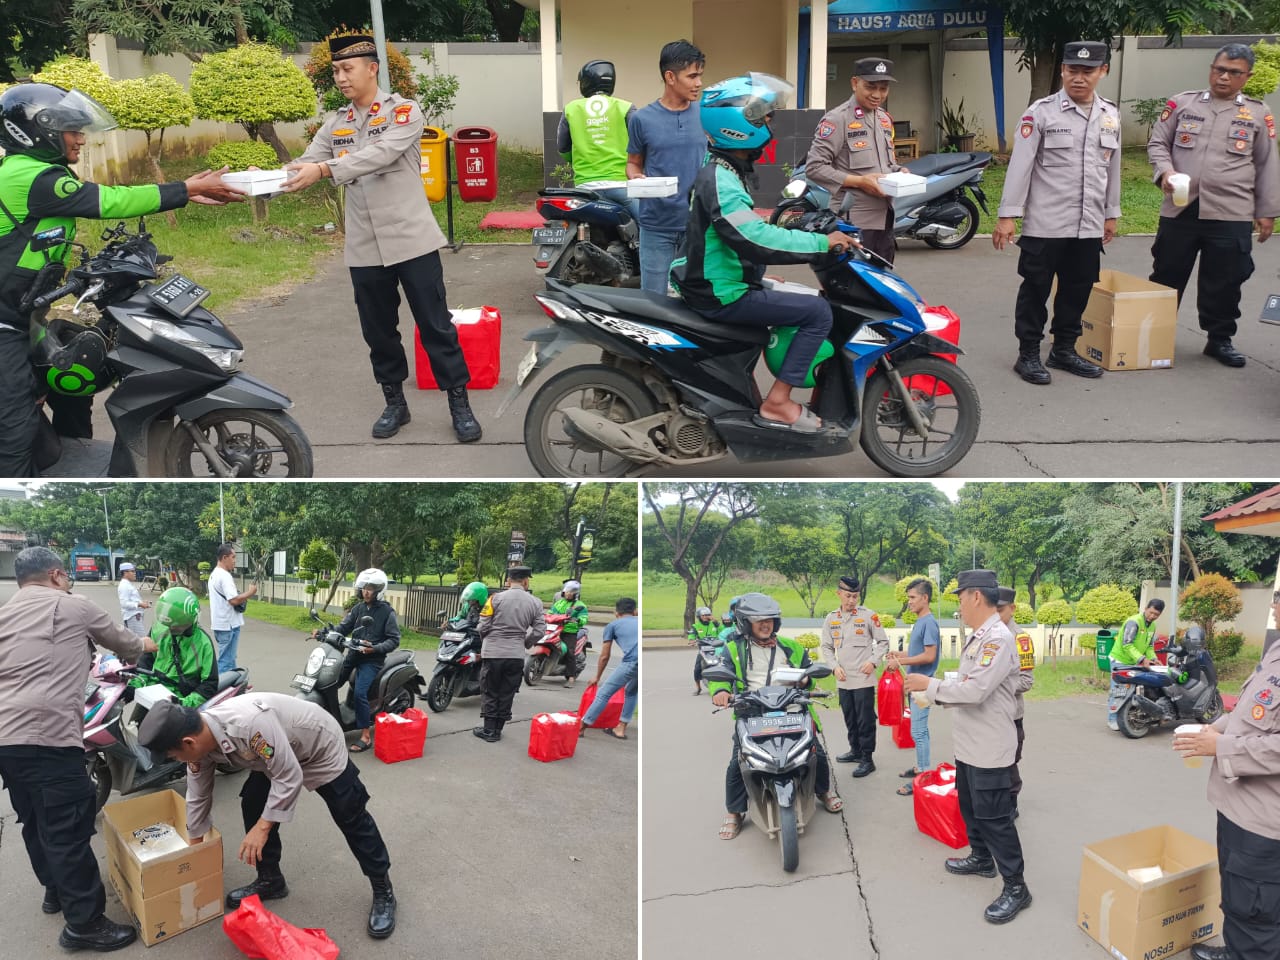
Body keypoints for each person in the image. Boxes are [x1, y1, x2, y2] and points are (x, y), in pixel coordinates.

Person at [0, 82, 244, 478]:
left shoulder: (34, 173)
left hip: (21, 317)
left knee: (72, 375)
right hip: (4, 326)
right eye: (72, 130)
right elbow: (108, 201)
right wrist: (186, 189)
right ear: (35, 131)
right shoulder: (30, 177)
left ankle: (71, 459)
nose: (81, 139)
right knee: (14, 425)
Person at [281, 34, 482, 444]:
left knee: (435, 325)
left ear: (372, 68)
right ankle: (395, 404)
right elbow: (307, 162)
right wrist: (263, 177)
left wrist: (325, 170)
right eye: (335, 71)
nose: (340, 78)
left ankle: (459, 405)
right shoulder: (335, 123)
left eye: (347, 69)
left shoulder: (404, 111)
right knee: (378, 331)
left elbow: (381, 154)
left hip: (411, 239)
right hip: (364, 246)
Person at [670, 73, 851, 434]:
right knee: (817, 312)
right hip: (720, 293)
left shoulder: (721, 169)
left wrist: (759, 276)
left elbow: (722, 240)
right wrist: (821, 243)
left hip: (715, 282)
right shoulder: (720, 179)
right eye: (763, 117)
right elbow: (754, 238)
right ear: (738, 125)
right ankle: (778, 401)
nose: (770, 123)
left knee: (788, 295)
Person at [0, 546, 156, 952]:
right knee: (67, 830)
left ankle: (55, 891)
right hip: (48, 737)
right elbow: (124, 643)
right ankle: (84, 924)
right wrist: (148, 643)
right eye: (65, 576)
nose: (68, 581)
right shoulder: (73, 605)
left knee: (34, 819)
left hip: (6, 742)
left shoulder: (5, 613)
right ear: (56, 575)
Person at [138, 694, 397, 939]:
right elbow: (198, 796)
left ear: (188, 743)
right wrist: (193, 856)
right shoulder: (200, 745)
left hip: (318, 746)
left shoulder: (249, 725)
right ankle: (271, 880)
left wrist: (262, 829)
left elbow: (289, 776)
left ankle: (382, 888)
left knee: (350, 814)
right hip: (273, 757)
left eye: (174, 756)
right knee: (253, 802)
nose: (177, 760)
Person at [904, 570, 1030, 924]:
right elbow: (968, 681)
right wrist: (939, 688)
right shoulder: (979, 635)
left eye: (960, 598)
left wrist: (930, 686)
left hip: (989, 747)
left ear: (976, 596)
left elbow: (975, 691)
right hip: (970, 745)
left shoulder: (997, 639)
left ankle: (1017, 887)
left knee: (996, 820)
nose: (958, 606)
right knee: (970, 807)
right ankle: (981, 858)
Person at [994, 40, 1120, 386]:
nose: (1079, 78)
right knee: (1035, 289)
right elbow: (1020, 166)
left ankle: (1064, 349)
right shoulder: (1041, 112)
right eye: (1072, 70)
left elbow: (1113, 168)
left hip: (1088, 223)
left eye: (1087, 71)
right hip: (1045, 223)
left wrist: (1111, 212)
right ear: (1063, 70)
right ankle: (1028, 354)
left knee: (1078, 289)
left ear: (1103, 71)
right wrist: (1007, 215)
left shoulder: (1110, 115)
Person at [1148, 43, 1280, 369]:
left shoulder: (1258, 114)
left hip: (1231, 210)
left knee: (1225, 279)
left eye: (1233, 72)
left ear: (1247, 77)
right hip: (1182, 206)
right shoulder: (1182, 103)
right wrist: (1165, 171)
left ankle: (1219, 339)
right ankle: (1153, 335)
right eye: (1219, 69)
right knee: (1167, 273)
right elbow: (1158, 143)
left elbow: (1266, 164)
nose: (1223, 77)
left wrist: (1267, 211)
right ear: (1211, 69)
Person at [1173, 590, 1280, 960]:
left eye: (1279, 597)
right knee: (1238, 899)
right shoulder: (1276, 652)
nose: (1273, 605)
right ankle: (1237, 951)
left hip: (1265, 824)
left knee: (1257, 914)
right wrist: (1215, 728)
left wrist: (1221, 747)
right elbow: (1252, 712)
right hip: (1238, 809)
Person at [710, 592, 843, 839]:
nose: (766, 625)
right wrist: (720, 691)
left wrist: (805, 681)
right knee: (738, 762)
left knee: (816, 754)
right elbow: (721, 675)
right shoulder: (733, 649)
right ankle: (735, 812)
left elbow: (809, 674)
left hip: (791, 709)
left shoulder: (791, 647)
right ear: (745, 622)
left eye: (770, 619)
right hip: (752, 713)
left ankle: (823, 791)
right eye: (759, 620)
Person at [626, 39, 706, 294]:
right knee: (653, 300)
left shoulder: (707, 114)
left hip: (698, 225)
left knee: (696, 299)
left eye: (700, 75)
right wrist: (636, 177)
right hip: (656, 226)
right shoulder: (641, 119)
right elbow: (633, 163)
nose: (699, 83)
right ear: (670, 77)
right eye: (692, 76)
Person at [804, 57, 902, 264]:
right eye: (870, 87)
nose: (877, 95)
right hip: (852, 224)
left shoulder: (884, 119)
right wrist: (859, 182)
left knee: (883, 279)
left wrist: (899, 171)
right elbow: (814, 168)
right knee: (852, 283)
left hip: (885, 220)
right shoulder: (837, 119)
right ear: (855, 83)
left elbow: (886, 164)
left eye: (883, 88)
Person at [820, 575, 889, 778]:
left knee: (865, 720)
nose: (851, 600)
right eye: (848, 596)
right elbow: (826, 646)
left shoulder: (868, 616)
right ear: (839, 594)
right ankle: (855, 750)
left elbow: (883, 642)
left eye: (855, 596)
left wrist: (873, 662)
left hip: (863, 679)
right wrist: (834, 667)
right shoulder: (831, 618)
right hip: (843, 680)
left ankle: (867, 758)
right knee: (849, 718)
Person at [325, 568, 400, 753]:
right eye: (364, 588)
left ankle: (365, 736)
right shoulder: (358, 609)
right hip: (354, 654)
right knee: (330, 681)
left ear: (379, 590)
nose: (366, 592)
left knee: (359, 692)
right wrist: (325, 632)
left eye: (371, 588)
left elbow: (393, 640)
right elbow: (344, 627)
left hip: (372, 660)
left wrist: (375, 648)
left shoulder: (387, 612)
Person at [474, 565, 545, 743]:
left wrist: (487, 642)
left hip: (493, 653)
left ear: (508, 581)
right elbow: (539, 631)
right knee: (507, 692)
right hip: (516, 655)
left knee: (490, 691)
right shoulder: (535, 602)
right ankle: (498, 730)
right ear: (526, 581)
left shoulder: (494, 599)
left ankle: (489, 730)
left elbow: (483, 626)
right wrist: (525, 643)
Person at [558, 60, 637, 215]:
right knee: (648, 225)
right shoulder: (626, 107)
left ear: (585, 83)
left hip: (585, 187)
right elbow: (640, 143)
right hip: (621, 186)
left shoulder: (571, 109)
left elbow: (563, 149)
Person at [887, 577, 940, 796]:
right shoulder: (920, 621)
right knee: (918, 730)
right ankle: (920, 767)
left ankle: (924, 775)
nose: (909, 601)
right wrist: (900, 655)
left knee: (919, 732)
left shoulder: (929, 623)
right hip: (914, 684)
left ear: (925, 598)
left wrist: (900, 661)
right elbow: (918, 652)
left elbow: (929, 656)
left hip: (922, 686)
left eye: (912, 597)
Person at [129, 586, 219, 709]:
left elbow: (209, 684)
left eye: (176, 627)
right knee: (136, 720)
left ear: (190, 621)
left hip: (181, 698)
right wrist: (134, 686)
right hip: (152, 692)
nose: (171, 629)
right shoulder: (159, 629)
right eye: (168, 625)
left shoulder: (203, 643)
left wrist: (183, 703)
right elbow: (145, 662)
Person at [995, 587, 1035, 816]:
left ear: (1013, 608)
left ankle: (1012, 804)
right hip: (990, 713)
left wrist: (993, 685)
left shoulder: (1020, 639)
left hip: (1011, 714)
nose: (995, 615)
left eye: (1000, 610)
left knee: (1009, 762)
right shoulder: (988, 634)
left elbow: (1026, 681)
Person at [579, 597, 639, 740]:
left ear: (616, 613)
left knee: (604, 694)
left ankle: (581, 727)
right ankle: (621, 729)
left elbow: (604, 656)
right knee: (631, 692)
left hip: (631, 662)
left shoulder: (612, 625)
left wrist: (597, 677)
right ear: (635, 612)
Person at [1108, 598, 1165, 731]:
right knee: (1118, 691)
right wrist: (1142, 659)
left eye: (1156, 615)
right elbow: (1127, 644)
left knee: (1133, 690)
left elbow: (1149, 646)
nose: (1152, 616)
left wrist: (1153, 658)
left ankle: (1128, 716)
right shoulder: (1134, 622)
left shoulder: (1152, 626)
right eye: (1151, 612)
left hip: (1135, 661)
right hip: (1120, 660)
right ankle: (1112, 719)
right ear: (1146, 609)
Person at [209, 543, 256, 674]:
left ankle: (231, 683)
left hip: (220, 624)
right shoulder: (224, 576)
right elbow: (233, 600)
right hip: (228, 626)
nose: (235, 561)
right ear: (225, 557)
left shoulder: (214, 574)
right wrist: (250, 593)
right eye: (233, 557)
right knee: (226, 662)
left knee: (229, 660)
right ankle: (221, 686)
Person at [549, 578, 589, 688]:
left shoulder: (580, 605)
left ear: (576, 594)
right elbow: (550, 612)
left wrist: (578, 620)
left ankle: (571, 677)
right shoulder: (559, 603)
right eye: (567, 591)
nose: (568, 594)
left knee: (570, 653)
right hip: (556, 629)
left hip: (569, 631)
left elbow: (584, 618)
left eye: (571, 592)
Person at [688, 605, 720, 695]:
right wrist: (691, 640)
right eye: (703, 615)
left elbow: (722, 631)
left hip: (716, 648)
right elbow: (692, 634)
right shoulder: (696, 626)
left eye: (708, 615)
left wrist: (716, 622)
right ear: (699, 616)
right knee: (697, 669)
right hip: (703, 650)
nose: (706, 617)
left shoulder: (714, 624)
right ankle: (698, 688)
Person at [116, 561, 150, 636]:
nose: (135, 573)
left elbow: (132, 600)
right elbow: (124, 603)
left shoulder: (128, 584)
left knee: (135, 640)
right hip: (132, 617)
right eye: (132, 571)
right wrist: (139, 604)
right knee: (141, 640)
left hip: (135, 617)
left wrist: (142, 603)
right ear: (125, 573)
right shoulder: (124, 586)